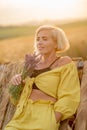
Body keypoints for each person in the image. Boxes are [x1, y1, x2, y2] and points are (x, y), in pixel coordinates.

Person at [4, 25, 80, 130]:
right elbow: (15, 100)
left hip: (45, 114)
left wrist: (55, 117)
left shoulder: (64, 63)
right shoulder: (31, 64)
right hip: (22, 114)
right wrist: (17, 83)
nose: (39, 42)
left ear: (56, 43)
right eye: (37, 39)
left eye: (44, 39)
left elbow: (69, 95)